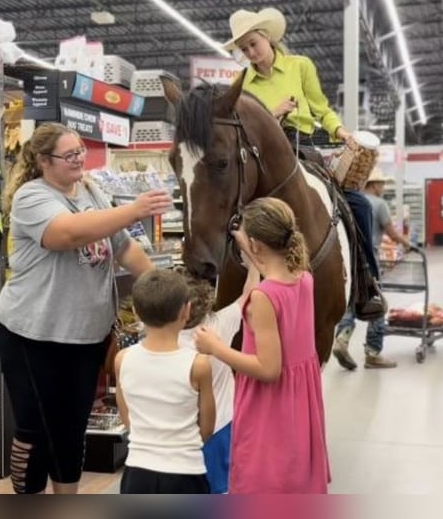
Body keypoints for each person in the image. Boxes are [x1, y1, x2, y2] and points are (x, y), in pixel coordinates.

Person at [0, 122, 172, 495]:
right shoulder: (31, 197)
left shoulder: (91, 189)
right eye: (69, 154)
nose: (78, 160)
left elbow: (123, 247)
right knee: (35, 428)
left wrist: (162, 288)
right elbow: (68, 233)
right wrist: (133, 210)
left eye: (80, 152)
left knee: (71, 427)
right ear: (44, 161)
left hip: (86, 333)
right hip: (32, 332)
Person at [223, 7, 384, 316]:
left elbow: (321, 109)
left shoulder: (300, 66)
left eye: (253, 44)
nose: (250, 53)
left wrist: (340, 131)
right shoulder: (241, 83)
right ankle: (212, 277)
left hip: (304, 148)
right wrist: (273, 116)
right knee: (226, 206)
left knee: (358, 205)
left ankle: (367, 283)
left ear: (267, 37)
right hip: (262, 157)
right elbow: (241, 130)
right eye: (243, 49)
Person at [193, 197, 329, 493]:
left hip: (270, 405)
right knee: (292, 480)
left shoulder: (263, 298)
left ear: (258, 245)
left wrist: (216, 347)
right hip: (298, 402)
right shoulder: (303, 278)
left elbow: (268, 369)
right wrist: (248, 246)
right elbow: (274, 271)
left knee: (263, 481)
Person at [115, 269, 215, 494]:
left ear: (135, 312)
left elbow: (128, 419)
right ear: (186, 311)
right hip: (186, 471)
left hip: (137, 470)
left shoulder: (123, 360)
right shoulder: (198, 365)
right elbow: (207, 428)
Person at [177, 263, 260, 494]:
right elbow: (248, 295)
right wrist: (253, 266)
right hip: (220, 429)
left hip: (180, 435)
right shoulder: (217, 326)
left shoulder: (166, 340)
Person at [332, 167, 414, 370]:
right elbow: (392, 232)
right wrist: (407, 244)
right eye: (382, 184)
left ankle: (342, 338)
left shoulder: (347, 199)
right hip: (369, 260)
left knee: (352, 298)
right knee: (376, 301)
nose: (383, 187)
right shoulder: (378, 204)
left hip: (349, 259)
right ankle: (373, 352)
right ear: (375, 185)